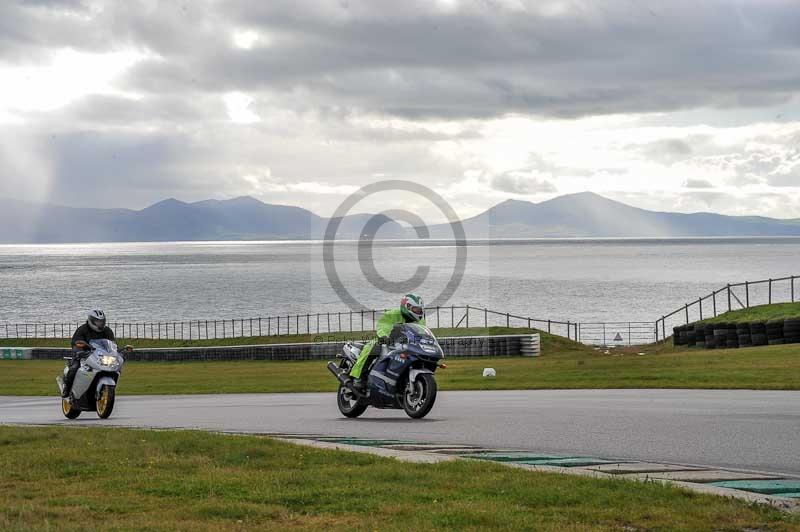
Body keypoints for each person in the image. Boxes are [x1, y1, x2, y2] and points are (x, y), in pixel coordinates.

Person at [348, 293, 426, 391]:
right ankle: (359, 378)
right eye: (416, 309)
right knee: (374, 347)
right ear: (407, 306)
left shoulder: (420, 321)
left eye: (420, 310)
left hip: (406, 345)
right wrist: (385, 337)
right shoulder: (392, 314)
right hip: (387, 341)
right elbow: (383, 326)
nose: (418, 312)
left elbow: (422, 333)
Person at [62, 309, 116, 398]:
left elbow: (112, 344)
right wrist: (79, 351)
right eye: (98, 321)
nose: (100, 324)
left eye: (102, 321)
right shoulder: (82, 329)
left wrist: (118, 352)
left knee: (115, 367)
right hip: (83, 355)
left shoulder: (107, 331)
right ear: (91, 321)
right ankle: (67, 389)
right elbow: (75, 342)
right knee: (74, 368)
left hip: (100, 356)